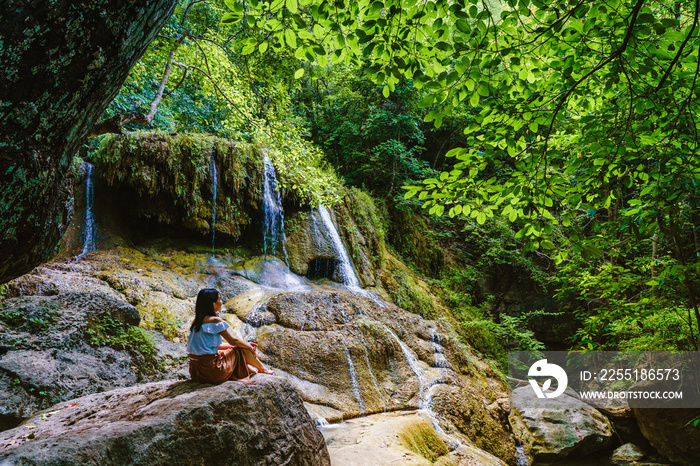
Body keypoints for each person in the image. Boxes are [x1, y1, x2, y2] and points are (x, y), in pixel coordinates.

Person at [187, 288, 274, 384]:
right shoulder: (215, 321)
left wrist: (242, 345)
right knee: (240, 348)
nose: (221, 301)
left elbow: (218, 347)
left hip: (196, 372)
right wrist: (247, 346)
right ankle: (262, 369)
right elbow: (233, 341)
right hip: (212, 371)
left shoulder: (196, 323)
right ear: (213, 304)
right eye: (219, 299)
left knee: (238, 347)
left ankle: (248, 369)